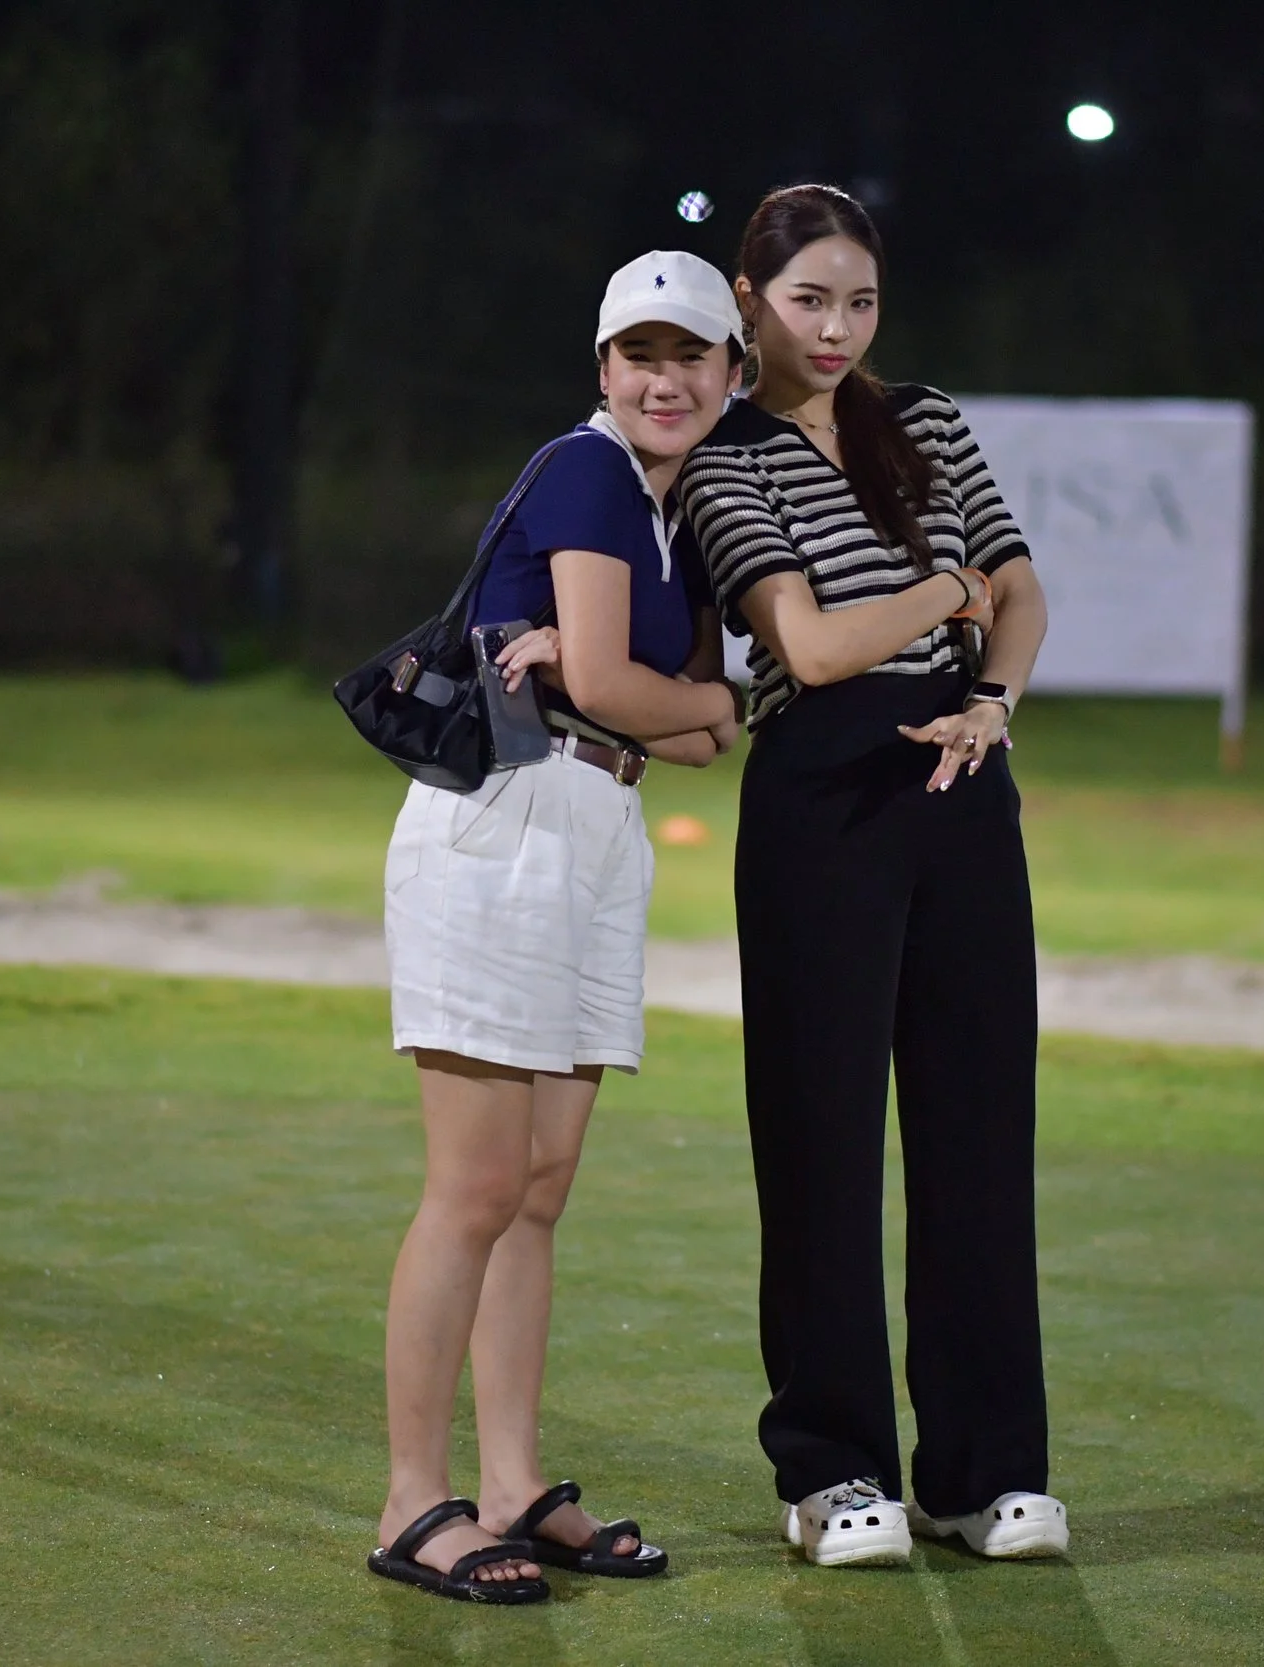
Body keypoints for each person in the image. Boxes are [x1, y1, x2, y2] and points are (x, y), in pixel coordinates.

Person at [680, 185, 1065, 1567]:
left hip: (964, 781)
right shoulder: (726, 461)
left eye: (858, 301)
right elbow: (817, 647)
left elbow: (1021, 586)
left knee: (976, 1138)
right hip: (822, 801)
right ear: (749, 300)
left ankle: (982, 1473)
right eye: (807, 300)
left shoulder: (933, 423)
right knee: (822, 1142)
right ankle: (836, 1470)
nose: (835, 329)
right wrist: (947, 599)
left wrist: (998, 694)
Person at [365, 251, 750, 1605]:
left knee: (539, 1192)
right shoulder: (588, 470)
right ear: (603, 369)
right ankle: (417, 1501)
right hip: (505, 831)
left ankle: (516, 1482)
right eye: (639, 354)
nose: (664, 377)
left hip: (596, 833)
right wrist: (668, 701)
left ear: (728, 375)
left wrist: (678, 706)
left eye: (690, 355)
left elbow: (700, 715)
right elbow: (611, 683)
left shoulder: (674, 510)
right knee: (474, 1190)